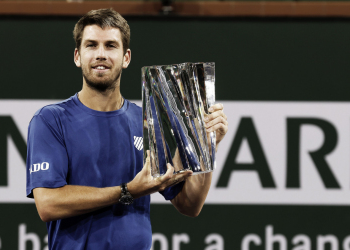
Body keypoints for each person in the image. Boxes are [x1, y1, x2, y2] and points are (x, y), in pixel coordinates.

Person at [26, 8, 228, 250]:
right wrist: (128, 191)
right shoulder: (50, 120)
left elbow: (189, 205)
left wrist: (207, 145)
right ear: (78, 56)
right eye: (92, 45)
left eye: (111, 46)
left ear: (126, 57)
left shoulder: (145, 121)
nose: (101, 54)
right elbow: (48, 204)